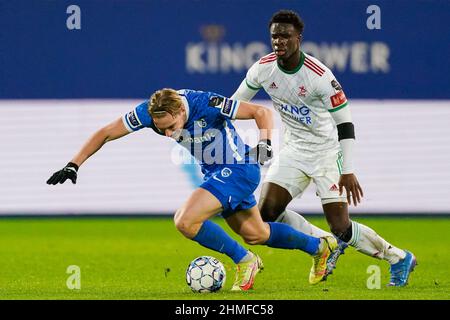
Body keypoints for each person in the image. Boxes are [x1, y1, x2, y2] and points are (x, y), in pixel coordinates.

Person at [47, 88, 340, 290]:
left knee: (185, 221)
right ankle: (319, 247)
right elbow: (107, 132)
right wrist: (74, 164)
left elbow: (261, 112)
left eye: (171, 126)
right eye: (161, 129)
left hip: (239, 170)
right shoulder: (150, 114)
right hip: (215, 171)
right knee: (256, 233)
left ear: (180, 110)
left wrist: (264, 144)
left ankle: (245, 262)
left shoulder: (207, 102)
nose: (168, 133)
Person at [231, 10, 417, 287]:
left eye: (285, 36)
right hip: (294, 151)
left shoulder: (319, 76)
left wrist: (348, 169)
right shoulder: (263, 68)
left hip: (327, 154)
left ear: (299, 38)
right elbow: (235, 105)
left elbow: (345, 125)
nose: (279, 41)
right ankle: (323, 243)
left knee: (341, 227)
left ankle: (399, 257)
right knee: (266, 214)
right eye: (274, 36)